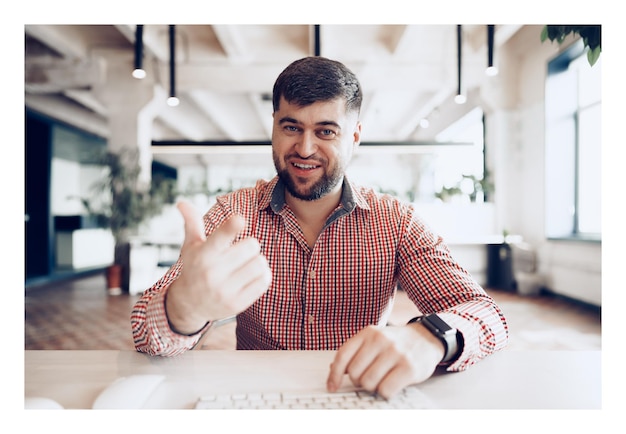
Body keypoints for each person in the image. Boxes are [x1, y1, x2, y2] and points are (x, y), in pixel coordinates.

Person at [131, 56, 509, 399]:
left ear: (355, 135)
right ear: (275, 128)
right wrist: (183, 308)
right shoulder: (234, 214)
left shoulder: (396, 221)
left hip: (361, 395)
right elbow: (146, 335)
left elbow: (485, 312)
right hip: (256, 399)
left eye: (326, 131)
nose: (305, 148)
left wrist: (431, 336)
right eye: (291, 127)